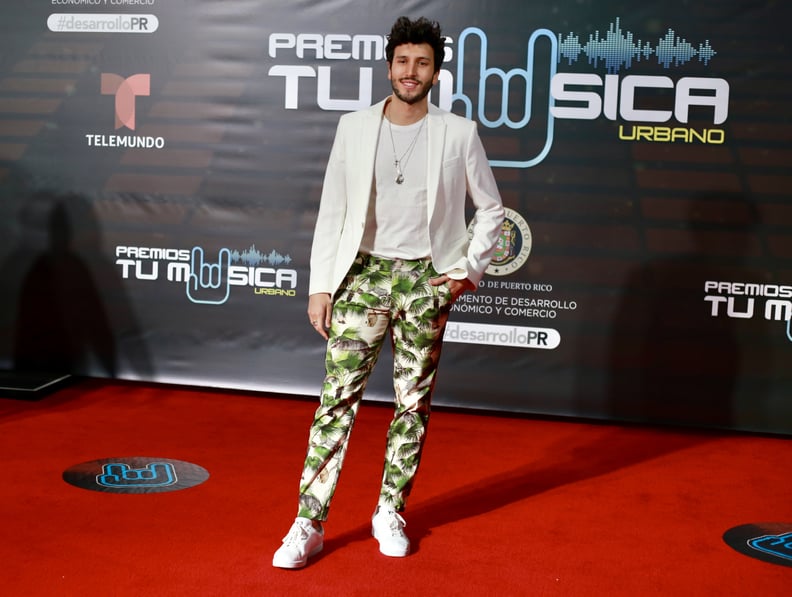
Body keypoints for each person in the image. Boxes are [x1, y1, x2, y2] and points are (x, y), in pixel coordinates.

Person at [272, 16, 504, 569]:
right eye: (403, 61)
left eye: (422, 63)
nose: (411, 71)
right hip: (362, 276)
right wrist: (320, 285)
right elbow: (333, 210)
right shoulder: (353, 127)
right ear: (389, 66)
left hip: (426, 281)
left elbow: (491, 208)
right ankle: (308, 522)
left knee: (411, 405)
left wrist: (465, 271)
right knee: (336, 402)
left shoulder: (459, 132)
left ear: (435, 72)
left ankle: (389, 511)